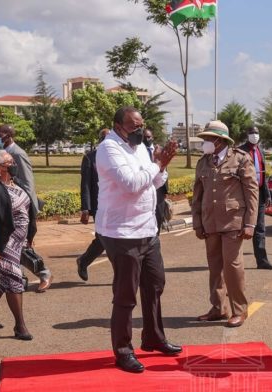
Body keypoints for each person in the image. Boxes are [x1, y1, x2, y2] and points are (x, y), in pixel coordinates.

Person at [95, 106, 181, 373]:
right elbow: (132, 184)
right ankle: (123, 351)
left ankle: (153, 337)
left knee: (155, 284)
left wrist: (161, 166)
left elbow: (153, 182)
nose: (140, 130)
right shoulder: (109, 149)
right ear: (119, 126)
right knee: (125, 295)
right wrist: (157, 165)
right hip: (122, 233)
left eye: (141, 125)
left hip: (147, 229)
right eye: (133, 126)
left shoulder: (140, 147)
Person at [192, 121, 259, 328]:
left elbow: (251, 192)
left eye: (208, 139)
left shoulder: (240, 159)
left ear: (220, 141)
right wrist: (197, 223)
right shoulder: (203, 162)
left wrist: (250, 224)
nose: (205, 143)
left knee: (232, 266)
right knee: (214, 267)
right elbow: (197, 196)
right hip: (210, 221)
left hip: (233, 222)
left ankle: (239, 310)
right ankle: (218, 308)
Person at [0, 150, 37, 340]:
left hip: (18, 242)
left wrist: (29, 235)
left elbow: (27, 211)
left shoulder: (15, 182)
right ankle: (20, 326)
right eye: (9, 162)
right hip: (2, 243)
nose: (14, 164)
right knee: (14, 280)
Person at [0, 124, 52, 292]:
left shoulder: (17, 154)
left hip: (20, 207)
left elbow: (27, 183)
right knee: (10, 245)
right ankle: (19, 278)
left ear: (8, 136)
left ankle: (44, 273)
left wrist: (29, 209)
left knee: (21, 245)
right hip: (7, 206)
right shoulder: (1, 154)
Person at [237, 126, 272, 270]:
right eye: (251, 133)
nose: (254, 135)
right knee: (238, 228)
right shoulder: (240, 151)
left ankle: (262, 261)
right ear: (247, 135)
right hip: (243, 195)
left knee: (260, 229)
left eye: (256, 133)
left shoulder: (260, 151)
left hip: (259, 194)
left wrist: (267, 194)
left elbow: (263, 174)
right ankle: (234, 262)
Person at [76, 129, 110, 281]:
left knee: (108, 239)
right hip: (99, 207)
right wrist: (85, 209)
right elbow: (86, 185)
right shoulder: (90, 158)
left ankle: (83, 260)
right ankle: (84, 261)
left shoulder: (118, 156)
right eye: (104, 138)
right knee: (105, 239)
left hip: (117, 204)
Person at [144, 129, 169, 235]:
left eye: (149, 137)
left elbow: (165, 170)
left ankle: (156, 238)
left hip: (159, 191)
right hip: (146, 190)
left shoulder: (159, 151)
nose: (147, 139)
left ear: (152, 138)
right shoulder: (138, 152)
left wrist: (165, 191)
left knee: (159, 216)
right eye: (144, 137)